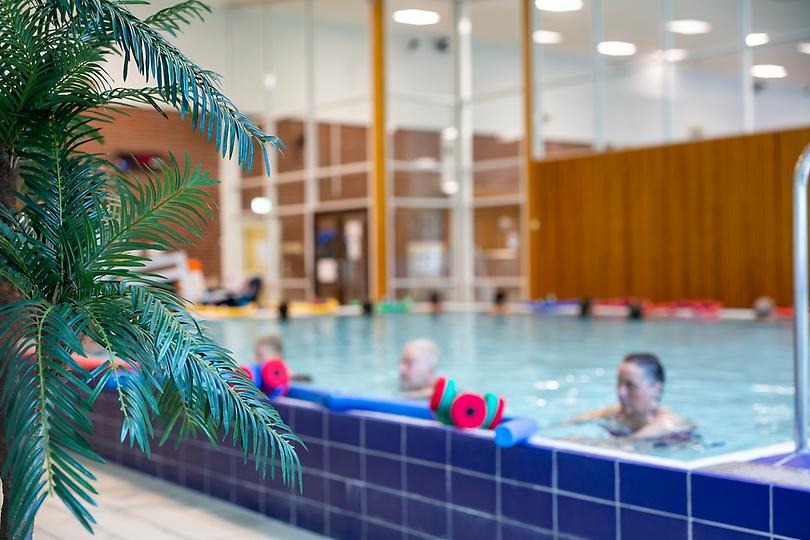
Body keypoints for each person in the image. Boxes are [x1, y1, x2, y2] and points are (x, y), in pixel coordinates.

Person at [571, 353, 694, 440]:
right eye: (619, 382)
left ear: (656, 389)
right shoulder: (617, 413)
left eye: (630, 386)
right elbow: (574, 421)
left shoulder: (668, 423)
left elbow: (626, 445)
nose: (621, 392)